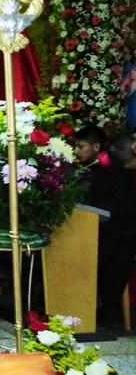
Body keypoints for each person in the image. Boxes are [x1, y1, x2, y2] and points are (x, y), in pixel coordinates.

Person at [74, 126, 136, 328]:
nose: (76, 151)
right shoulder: (85, 170)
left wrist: (96, 211)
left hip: (118, 233)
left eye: (80, 146)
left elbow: (123, 207)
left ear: (96, 146)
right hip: (92, 230)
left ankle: (105, 311)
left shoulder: (117, 171)